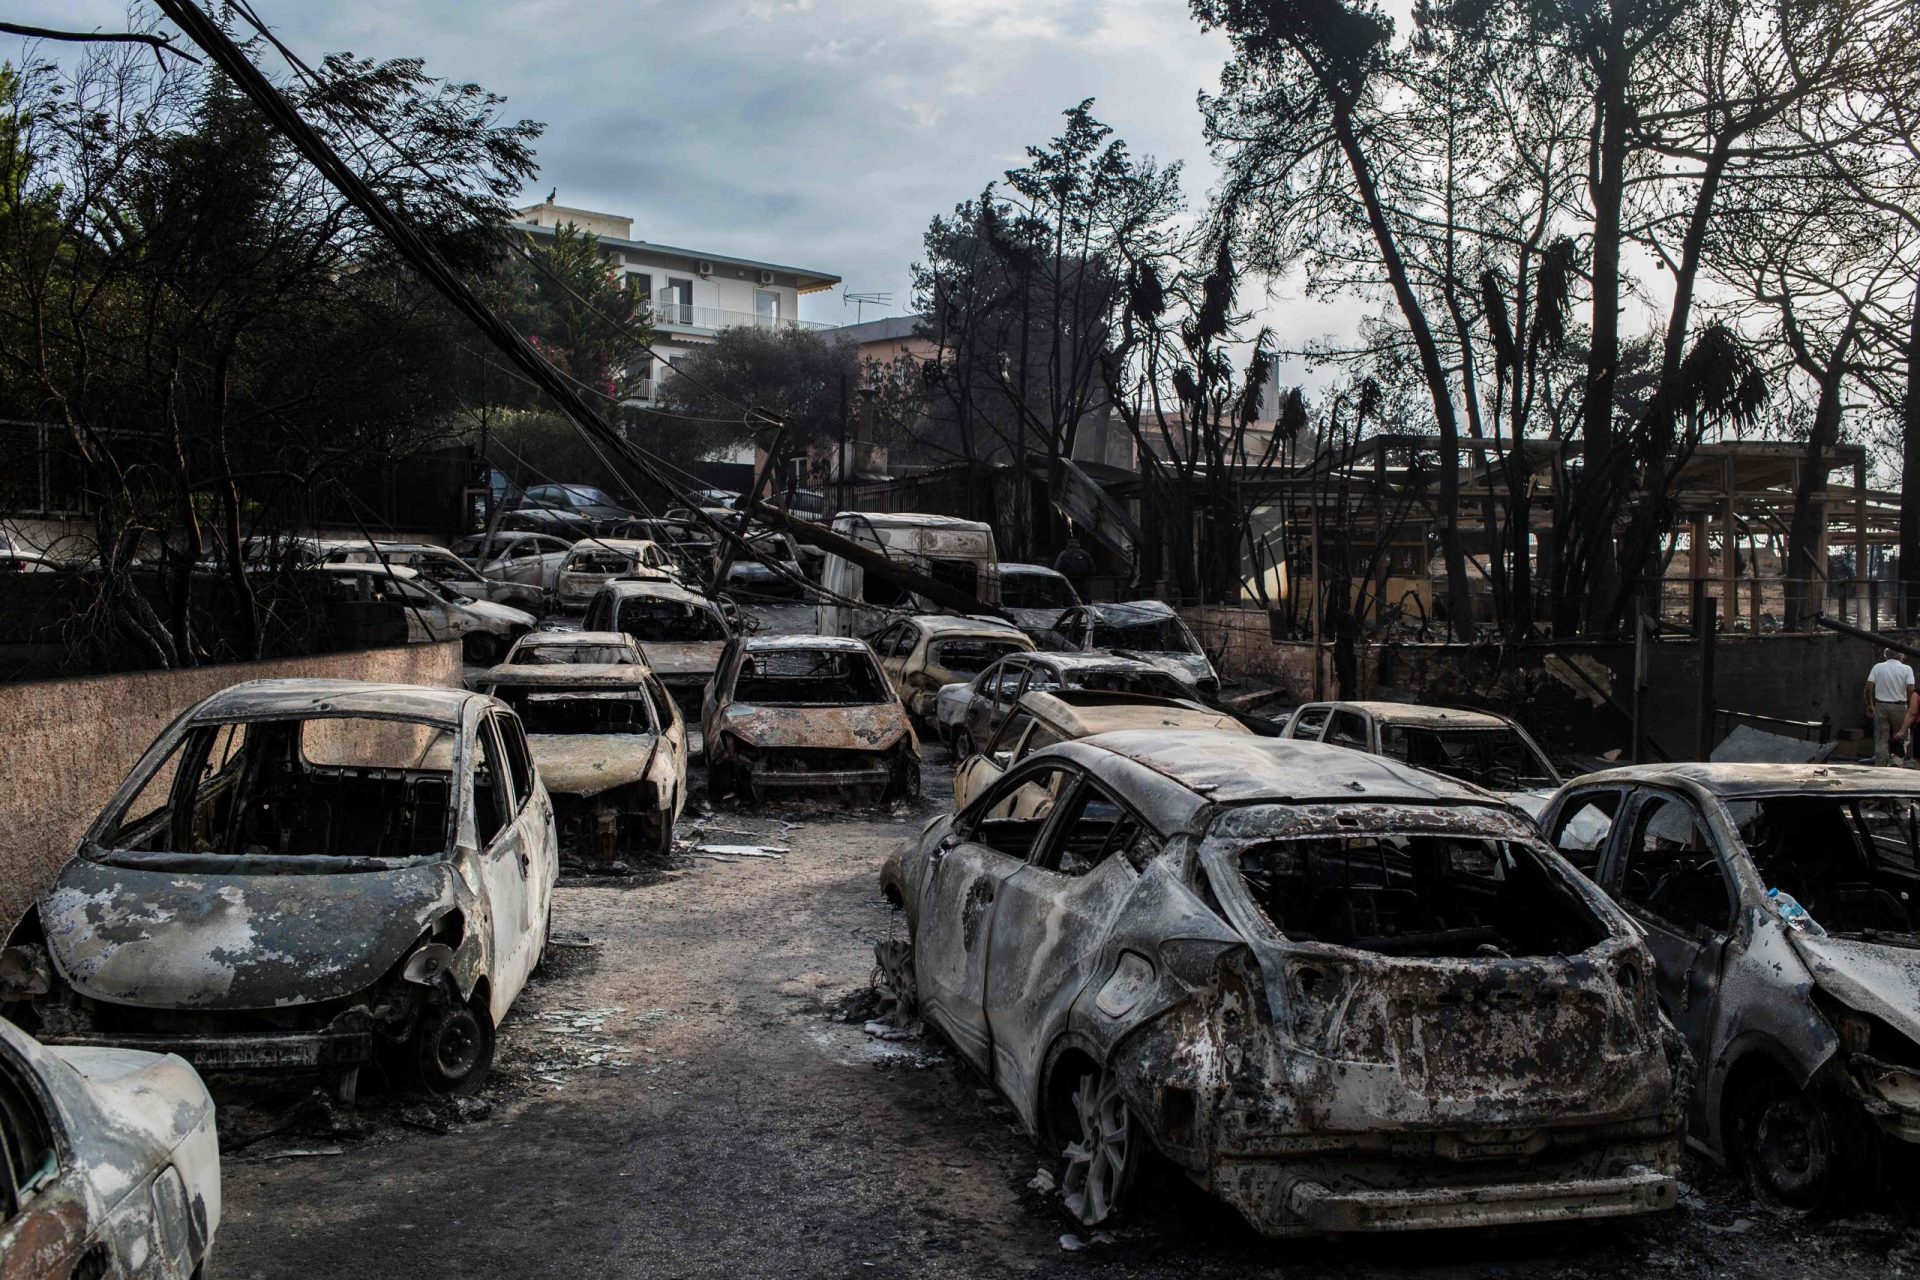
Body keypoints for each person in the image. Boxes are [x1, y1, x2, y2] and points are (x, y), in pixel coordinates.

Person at [1865, 646, 1916, 767]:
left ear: (1885, 655)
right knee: (1901, 735)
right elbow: (1910, 689)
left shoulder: (1878, 667)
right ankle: (1896, 763)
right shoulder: (1907, 669)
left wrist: (1869, 704)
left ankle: (1881, 765)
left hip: (1881, 705)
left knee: (1881, 738)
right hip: (1899, 706)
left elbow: (1868, 688)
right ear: (1900, 655)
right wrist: (1910, 705)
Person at [1053, 536, 1095, 604]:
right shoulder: (1085, 554)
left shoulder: (1063, 554)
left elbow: (1056, 568)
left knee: (1070, 602)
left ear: (1068, 545)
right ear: (1078, 544)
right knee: (1084, 602)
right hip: (1083, 582)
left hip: (1068, 582)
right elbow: (1093, 569)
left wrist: (1060, 581)